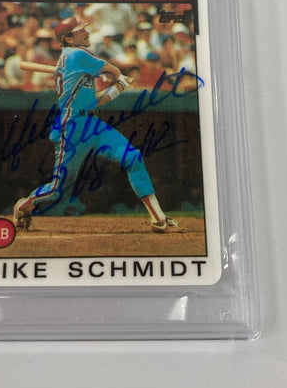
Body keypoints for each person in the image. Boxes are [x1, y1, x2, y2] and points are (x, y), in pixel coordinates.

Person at [13, 16, 181, 233]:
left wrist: (118, 87)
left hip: (92, 122)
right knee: (58, 189)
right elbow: (112, 69)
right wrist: (118, 77)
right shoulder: (78, 54)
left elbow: (94, 101)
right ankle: (24, 206)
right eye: (80, 31)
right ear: (69, 39)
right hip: (72, 125)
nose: (87, 33)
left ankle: (159, 219)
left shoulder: (74, 60)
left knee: (133, 157)